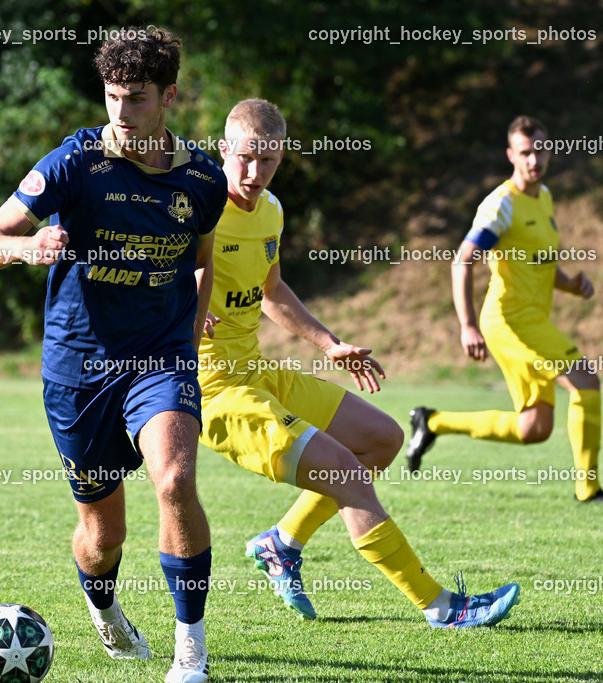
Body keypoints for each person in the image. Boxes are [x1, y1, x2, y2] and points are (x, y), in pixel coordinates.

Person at [0, 27, 227, 683]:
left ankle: (189, 652)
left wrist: (190, 340)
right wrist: (29, 249)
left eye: (135, 99)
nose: (120, 112)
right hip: (78, 369)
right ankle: (104, 608)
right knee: (104, 535)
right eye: (112, 96)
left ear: (168, 96)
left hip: (159, 361)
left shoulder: (203, 178)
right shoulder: (74, 164)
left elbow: (202, 263)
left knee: (174, 481)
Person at [198, 98, 521, 627]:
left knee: (381, 438)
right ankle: (442, 607)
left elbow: (272, 289)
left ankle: (281, 544)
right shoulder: (195, 207)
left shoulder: (273, 211)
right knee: (345, 471)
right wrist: (174, 311)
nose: (255, 173)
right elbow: (139, 266)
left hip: (256, 369)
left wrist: (329, 345)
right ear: (224, 150)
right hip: (211, 389)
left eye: (269, 160)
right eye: (246, 158)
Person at [406, 115, 603, 504]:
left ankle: (433, 421)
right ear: (511, 155)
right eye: (525, 152)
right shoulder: (501, 205)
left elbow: (539, 259)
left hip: (533, 320)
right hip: (508, 320)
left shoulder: (544, 198)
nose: (534, 159)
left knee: (533, 428)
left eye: (540, 149)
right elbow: (463, 260)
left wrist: (569, 283)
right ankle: (589, 491)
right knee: (587, 380)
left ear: (550, 150)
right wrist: (467, 325)